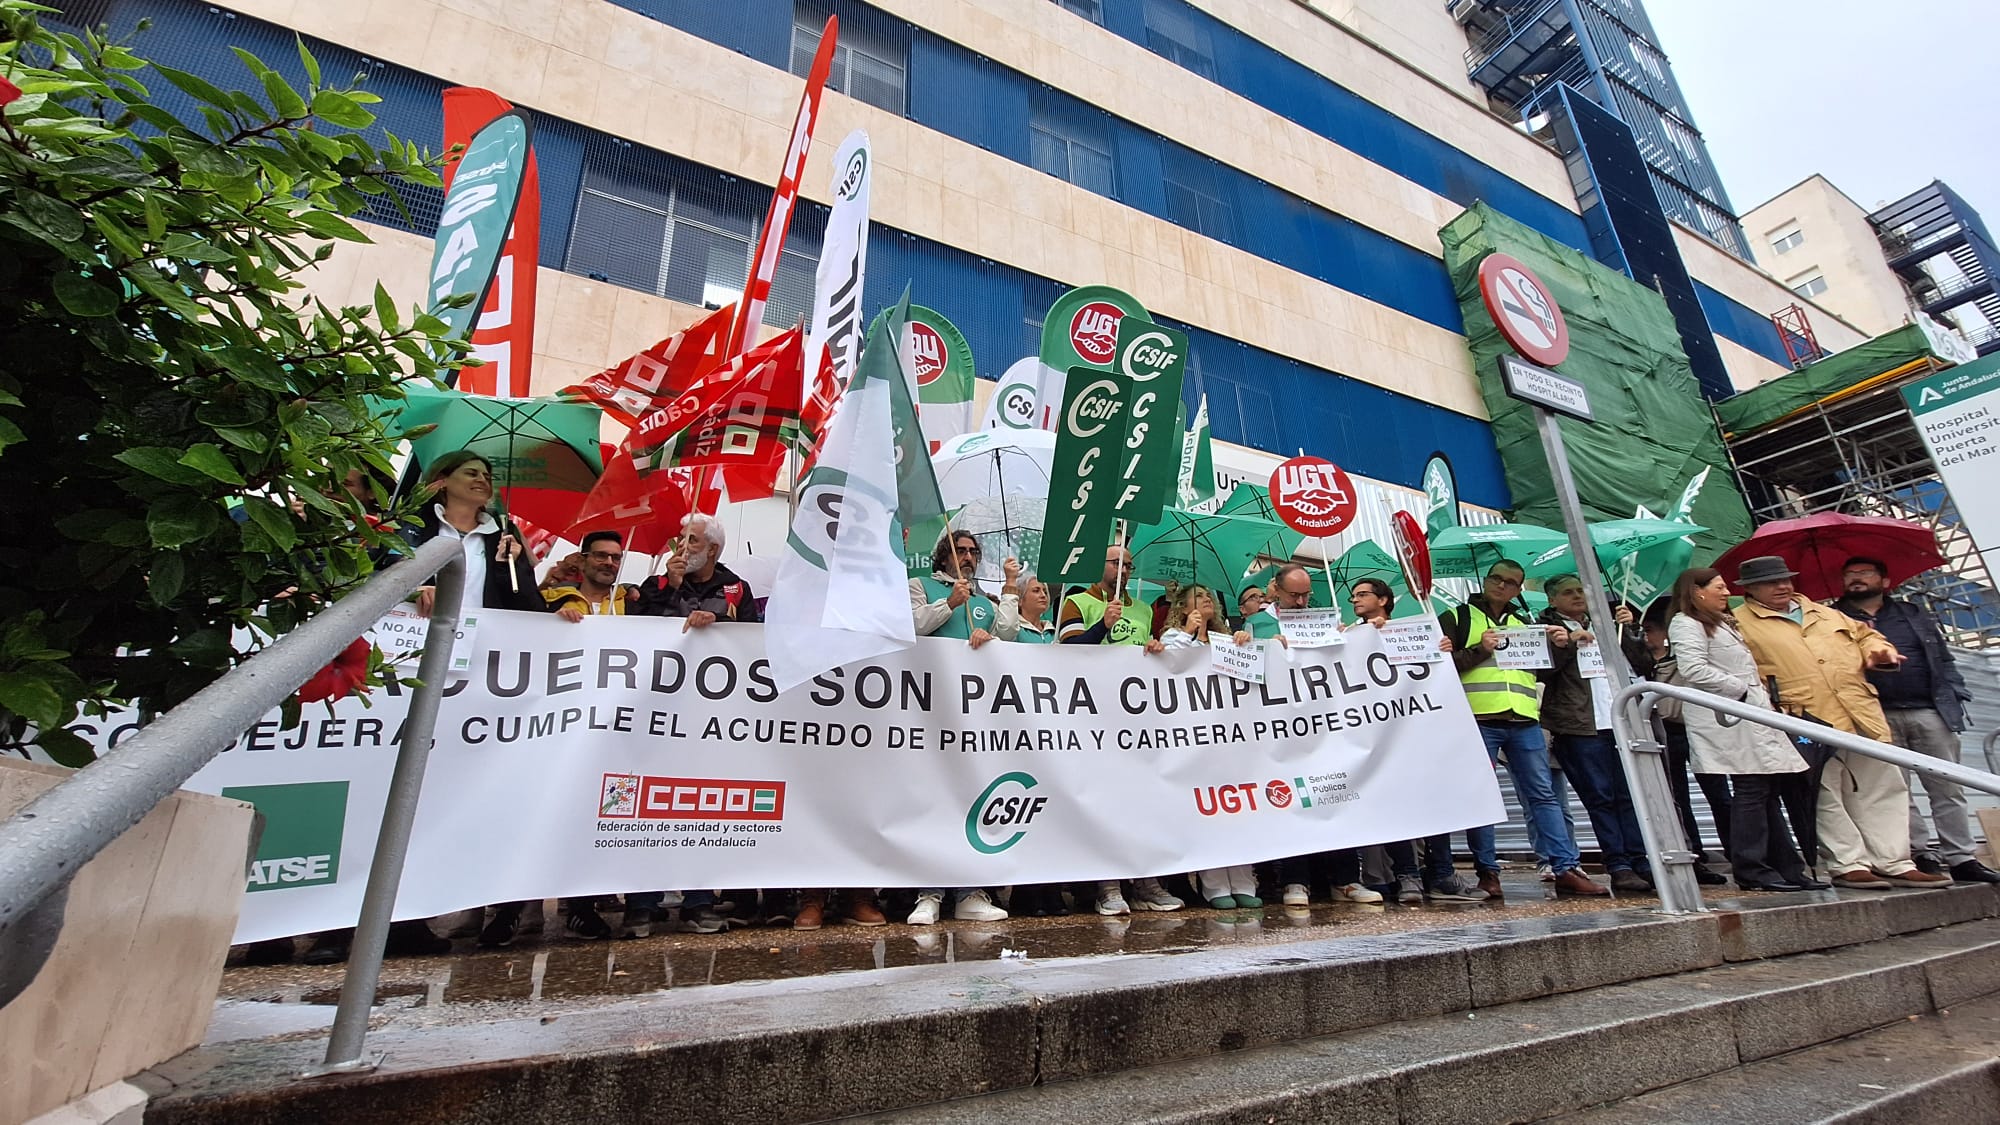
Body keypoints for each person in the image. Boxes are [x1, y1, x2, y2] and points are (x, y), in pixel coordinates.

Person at [403, 453, 557, 949]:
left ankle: (472, 900)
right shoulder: (408, 532)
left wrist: (521, 567)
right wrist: (413, 585)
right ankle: (398, 915)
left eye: (487, 476)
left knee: (468, 791)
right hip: (407, 676)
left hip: (480, 685)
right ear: (441, 483)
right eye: (471, 473)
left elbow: (528, 613)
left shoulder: (502, 541)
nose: (483, 481)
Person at [1731, 555, 1950, 890]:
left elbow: (1866, 636)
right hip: (1806, 718)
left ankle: (1895, 861)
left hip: (1860, 711)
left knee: (1884, 787)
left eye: (1786, 579)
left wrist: (1880, 651)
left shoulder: (1826, 612)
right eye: (1771, 582)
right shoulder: (1740, 623)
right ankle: (1848, 863)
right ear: (1749, 589)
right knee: (1826, 793)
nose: (1782, 586)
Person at [1442, 559, 1607, 898]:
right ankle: (1488, 874)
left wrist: (1561, 646)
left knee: (1543, 795)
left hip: (1524, 718)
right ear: (1485, 580)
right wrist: (1480, 649)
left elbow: (1544, 671)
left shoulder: (1525, 622)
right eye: (1496, 579)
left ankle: (1565, 867)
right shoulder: (1458, 616)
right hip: (1478, 720)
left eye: (1510, 582)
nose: (1501, 586)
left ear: (1519, 589)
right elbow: (1442, 666)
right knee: (1482, 797)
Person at [1833, 556, 2000, 884]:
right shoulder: (1833, 618)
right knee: (1895, 791)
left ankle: (1962, 857)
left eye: (1865, 573)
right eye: (1849, 574)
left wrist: (1955, 691)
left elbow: (1942, 656)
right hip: (1875, 715)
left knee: (1947, 787)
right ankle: (1919, 853)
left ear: (1884, 580)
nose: (1856, 579)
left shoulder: (1912, 613)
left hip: (1929, 709)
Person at [1667, 568, 1823, 891]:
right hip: (1729, 718)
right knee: (1751, 790)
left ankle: (1786, 867)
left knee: (1767, 790)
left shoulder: (1723, 623)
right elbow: (1692, 668)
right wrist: (1738, 689)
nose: (1726, 593)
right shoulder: (1686, 622)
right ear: (1697, 592)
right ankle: (1752, 868)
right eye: (1719, 587)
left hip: (1752, 715)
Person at [1059, 544, 1176, 915]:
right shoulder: (1078, 602)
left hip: (1135, 721)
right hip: (1093, 718)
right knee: (1105, 801)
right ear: (1099, 565)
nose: (1122, 569)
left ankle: (1144, 882)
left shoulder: (1141, 609)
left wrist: (1155, 648)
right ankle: (1108, 886)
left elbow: (1143, 651)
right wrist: (1102, 626)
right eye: (1114, 562)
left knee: (1140, 800)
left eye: (1128, 563)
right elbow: (1068, 652)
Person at [1537, 575, 1656, 893]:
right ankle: (1618, 863)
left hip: (1621, 719)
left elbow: (1644, 665)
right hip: (1579, 726)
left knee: (1628, 795)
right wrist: (1567, 644)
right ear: (1552, 600)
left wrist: (1630, 633)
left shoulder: (1607, 623)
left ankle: (1641, 859)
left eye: (1580, 590)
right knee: (1600, 797)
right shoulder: (1543, 628)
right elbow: (1542, 671)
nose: (1577, 596)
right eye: (1568, 592)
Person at [1349, 578, 1453, 905]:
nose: (1355, 600)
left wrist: (1443, 649)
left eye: (1362, 594)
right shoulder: (1350, 634)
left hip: (1413, 731)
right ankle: (1407, 874)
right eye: (1353, 596)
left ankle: (1441, 872)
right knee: (1393, 805)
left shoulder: (1409, 632)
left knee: (1432, 804)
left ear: (1383, 600)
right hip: (1374, 734)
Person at [1154, 585, 1258, 909]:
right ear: (1183, 608)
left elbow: (1247, 669)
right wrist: (1189, 633)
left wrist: (1243, 643)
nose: (1207, 601)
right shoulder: (1172, 636)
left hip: (1228, 731)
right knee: (1207, 808)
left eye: (1209, 597)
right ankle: (1214, 886)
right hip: (1193, 733)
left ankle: (1243, 881)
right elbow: (1170, 668)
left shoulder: (1225, 637)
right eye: (1198, 598)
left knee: (1237, 806)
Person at [1642, 609, 1731, 886]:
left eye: (1649, 631)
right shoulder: (1639, 661)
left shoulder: (1682, 658)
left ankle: (1737, 849)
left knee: (1718, 792)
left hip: (1692, 727)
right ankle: (1695, 854)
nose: (1645, 637)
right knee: (1676, 796)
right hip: (1661, 729)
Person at [637, 514, 763, 627]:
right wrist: (671, 587)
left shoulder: (738, 589)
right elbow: (640, 629)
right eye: (681, 538)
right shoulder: (655, 584)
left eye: (691, 539)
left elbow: (748, 637)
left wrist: (715, 620)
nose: (681, 545)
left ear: (712, 549)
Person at [910, 530, 1019, 649]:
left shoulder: (988, 605)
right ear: (944, 559)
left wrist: (1011, 581)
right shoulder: (919, 585)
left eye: (973, 552)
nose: (968, 557)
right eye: (960, 551)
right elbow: (912, 627)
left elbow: (1007, 636)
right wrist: (949, 603)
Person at [543, 531, 639, 619]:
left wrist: (629, 587)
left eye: (616, 558)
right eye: (601, 555)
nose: (609, 562)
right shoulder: (552, 601)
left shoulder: (634, 603)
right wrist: (554, 620)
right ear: (581, 561)